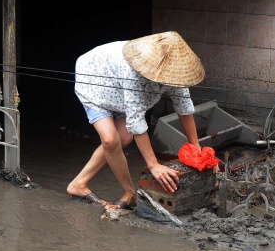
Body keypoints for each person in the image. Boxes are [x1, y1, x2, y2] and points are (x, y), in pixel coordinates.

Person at [67, 31, 205, 209]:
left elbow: (184, 108)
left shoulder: (175, 72)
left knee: (124, 138)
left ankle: (78, 184)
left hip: (119, 91)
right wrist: (153, 165)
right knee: (110, 139)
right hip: (96, 82)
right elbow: (137, 122)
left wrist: (196, 149)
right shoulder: (136, 71)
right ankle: (129, 193)